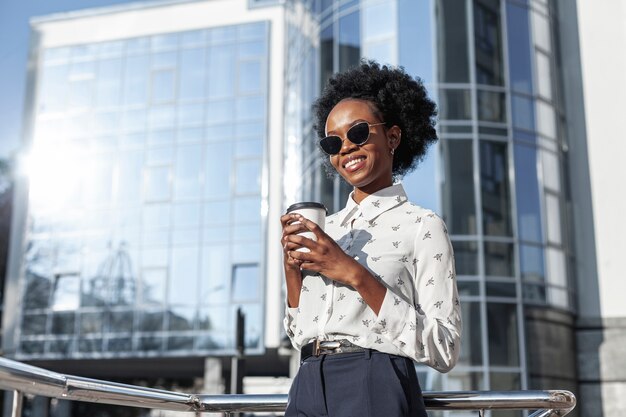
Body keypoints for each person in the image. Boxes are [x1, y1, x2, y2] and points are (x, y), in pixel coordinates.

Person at [281, 61, 461, 417]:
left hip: (373, 381)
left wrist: (354, 274)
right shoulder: (325, 229)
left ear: (393, 137)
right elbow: (299, 332)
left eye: (358, 133)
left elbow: (445, 348)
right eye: (333, 141)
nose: (345, 148)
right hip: (305, 382)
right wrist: (291, 271)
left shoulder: (422, 225)